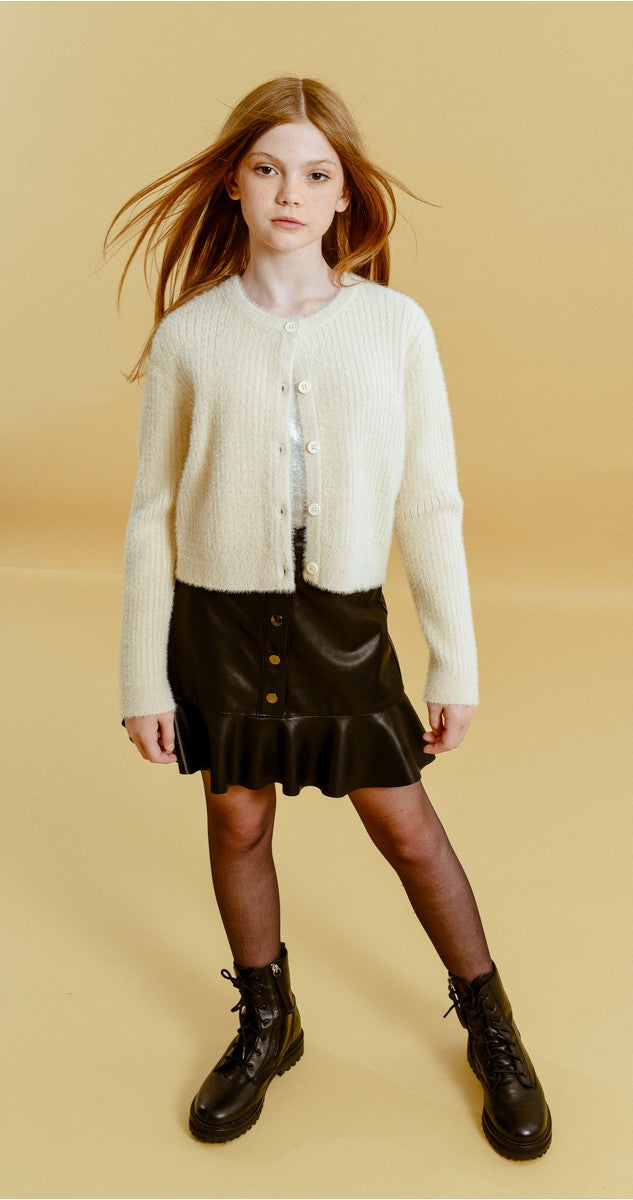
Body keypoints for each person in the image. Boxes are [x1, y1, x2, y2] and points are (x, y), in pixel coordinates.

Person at [107, 75, 551, 1160]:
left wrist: (454, 662)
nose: (289, 193)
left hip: (341, 623)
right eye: (267, 169)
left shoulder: (393, 327)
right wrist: (141, 678)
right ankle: (269, 1020)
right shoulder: (191, 337)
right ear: (233, 182)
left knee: (405, 826)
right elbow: (152, 514)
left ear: (345, 195)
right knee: (236, 821)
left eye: (315, 174)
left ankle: (492, 1030)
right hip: (217, 624)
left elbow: (429, 499)